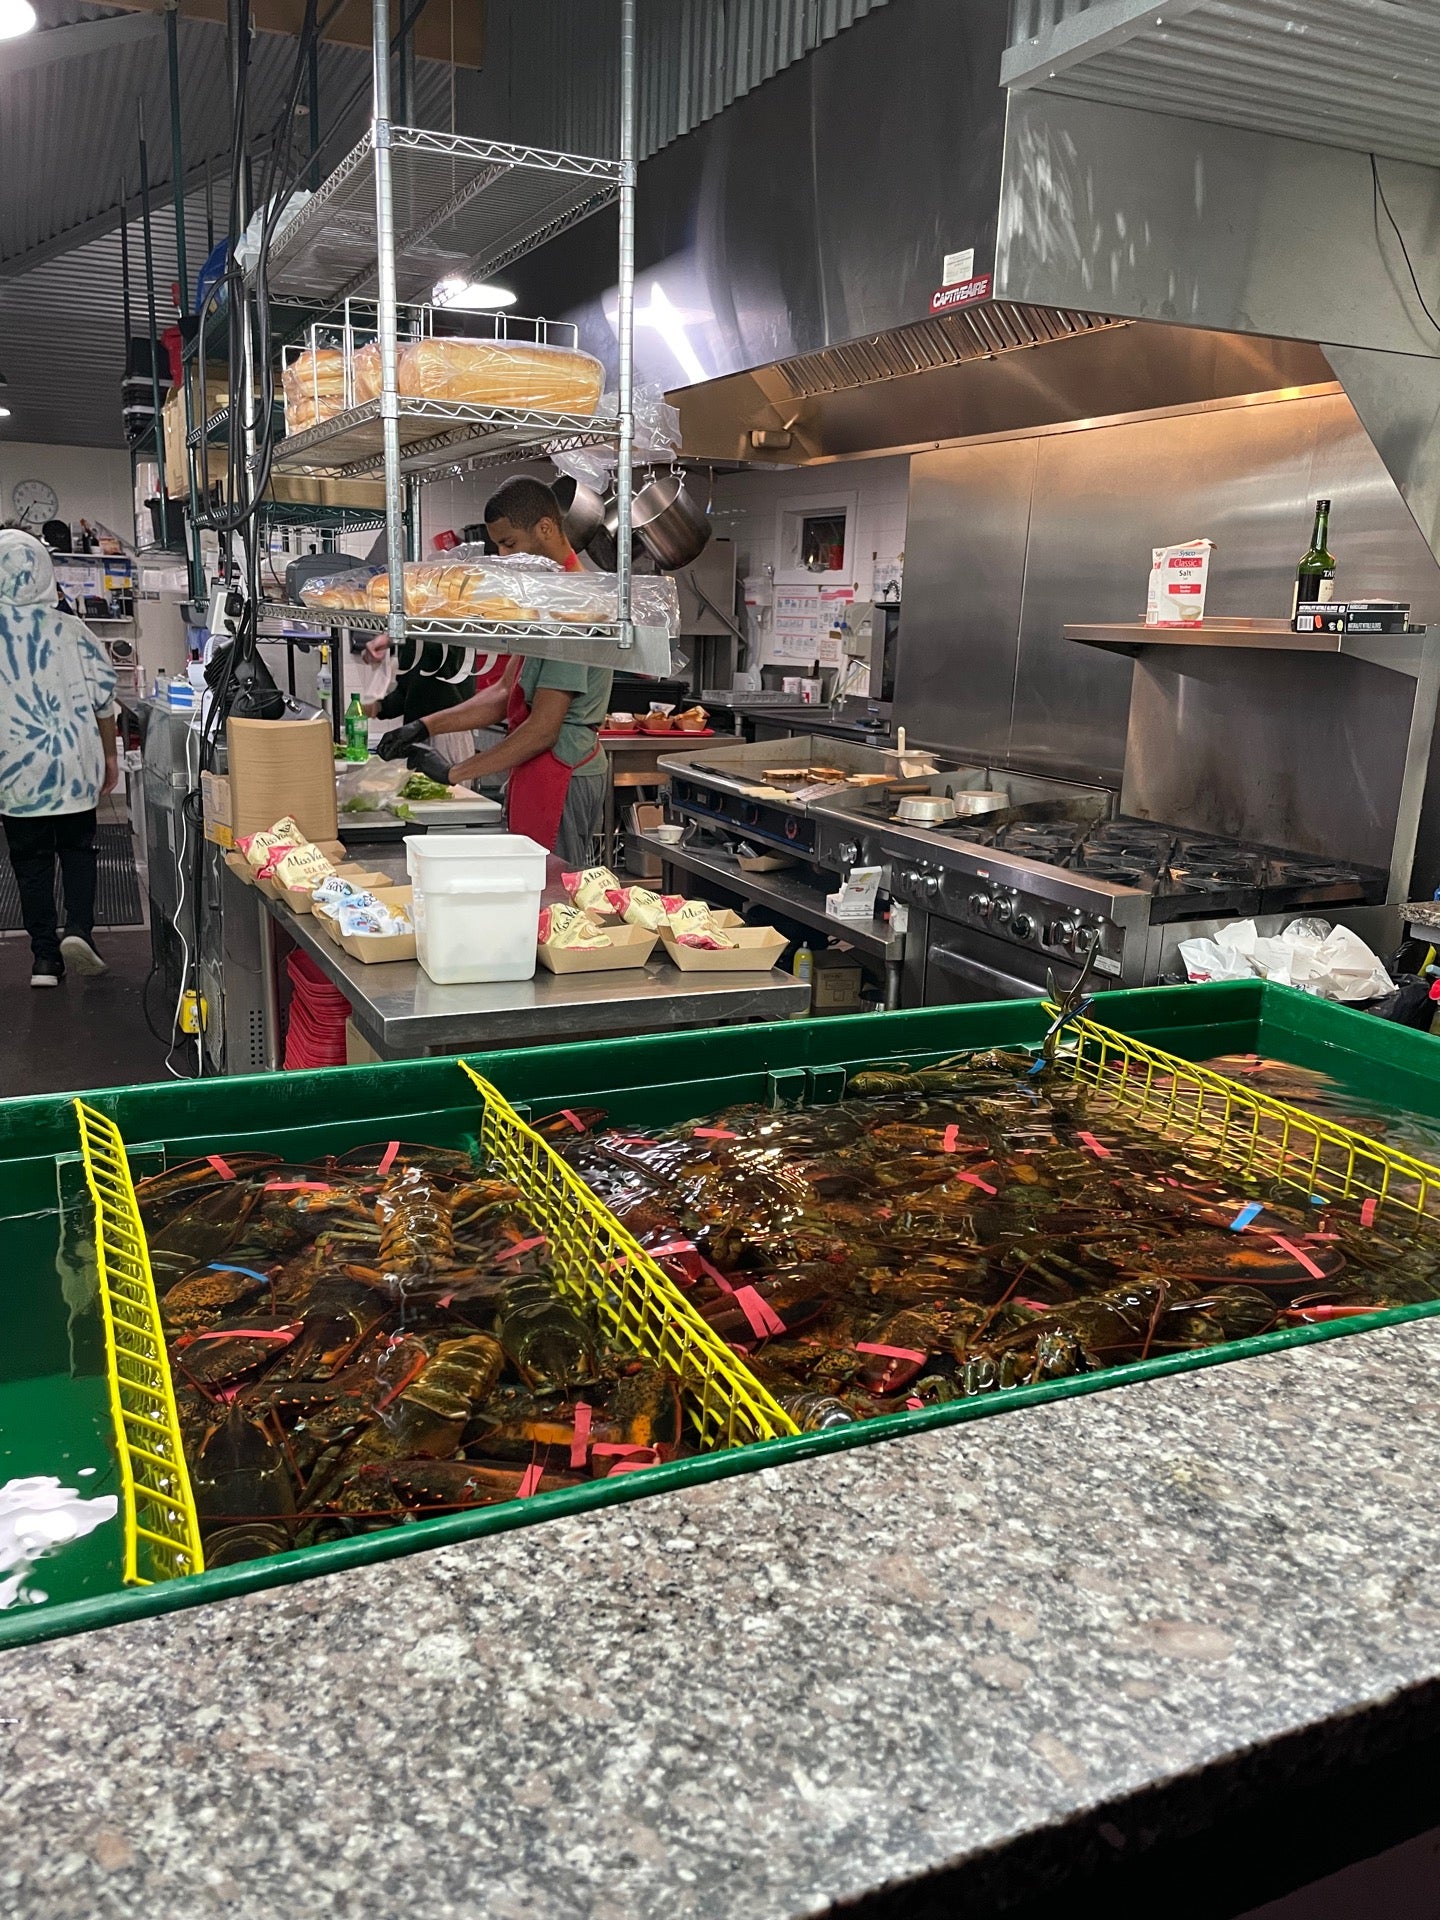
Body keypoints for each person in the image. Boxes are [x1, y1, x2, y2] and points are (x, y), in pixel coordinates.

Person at [378, 478, 612, 863]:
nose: (504, 558)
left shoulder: (575, 604)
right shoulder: (546, 599)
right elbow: (506, 693)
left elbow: (543, 729)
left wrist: (455, 772)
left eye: (509, 544)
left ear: (546, 529)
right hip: (539, 767)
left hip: (564, 771)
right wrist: (425, 726)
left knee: (552, 893)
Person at [0, 530, 118, 987]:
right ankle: (80, 930)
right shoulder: (72, 630)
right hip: (71, 767)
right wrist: (110, 756)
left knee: (29, 864)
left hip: (16, 774)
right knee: (78, 851)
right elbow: (104, 699)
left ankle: (45, 960)